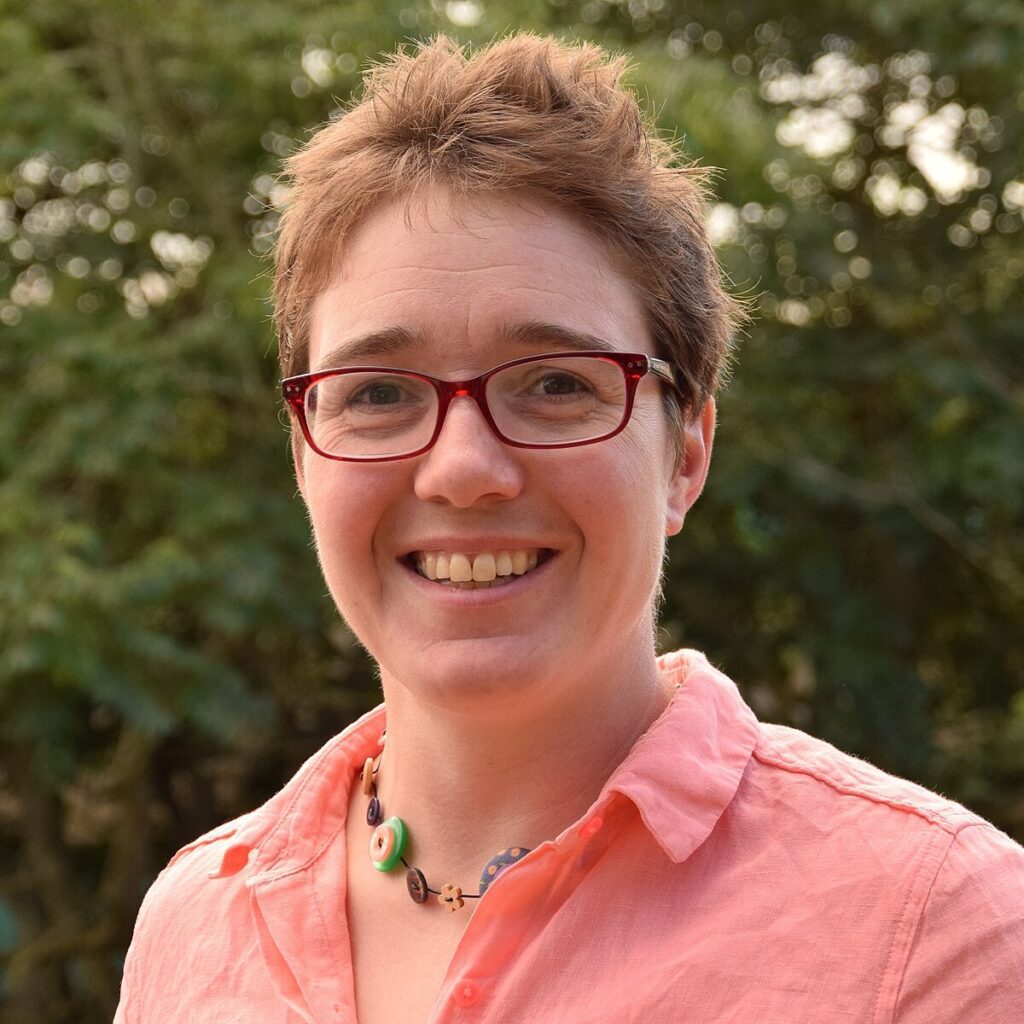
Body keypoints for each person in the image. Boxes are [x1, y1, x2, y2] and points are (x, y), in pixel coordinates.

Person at [113, 33, 1024, 1024]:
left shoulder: (933, 928)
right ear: (304, 455)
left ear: (685, 451)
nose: (461, 468)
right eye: (376, 391)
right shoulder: (194, 926)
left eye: (555, 383)